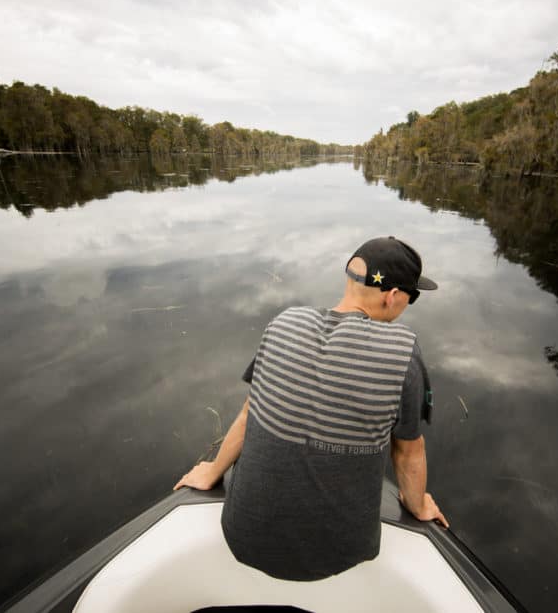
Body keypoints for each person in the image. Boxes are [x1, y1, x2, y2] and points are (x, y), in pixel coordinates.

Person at [174, 236, 447, 580]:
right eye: (412, 297)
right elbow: (407, 454)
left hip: (242, 534)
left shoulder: (283, 323)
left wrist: (213, 471)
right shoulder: (402, 353)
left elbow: (248, 414)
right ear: (392, 296)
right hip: (341, 554)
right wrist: (418, 505)